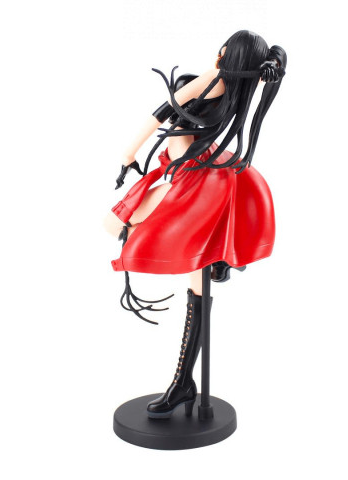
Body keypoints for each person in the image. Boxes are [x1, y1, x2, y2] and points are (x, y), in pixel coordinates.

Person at [103, 30, 286, 418]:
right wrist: (273, 65)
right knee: (195, 280)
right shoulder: (239, 86)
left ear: (228, 53)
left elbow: (159, 114)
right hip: (201, 174)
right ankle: (184, 383)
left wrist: (127, 154)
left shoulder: (215, 79)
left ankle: (183, 382)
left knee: (115, 224)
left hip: (193, 181)